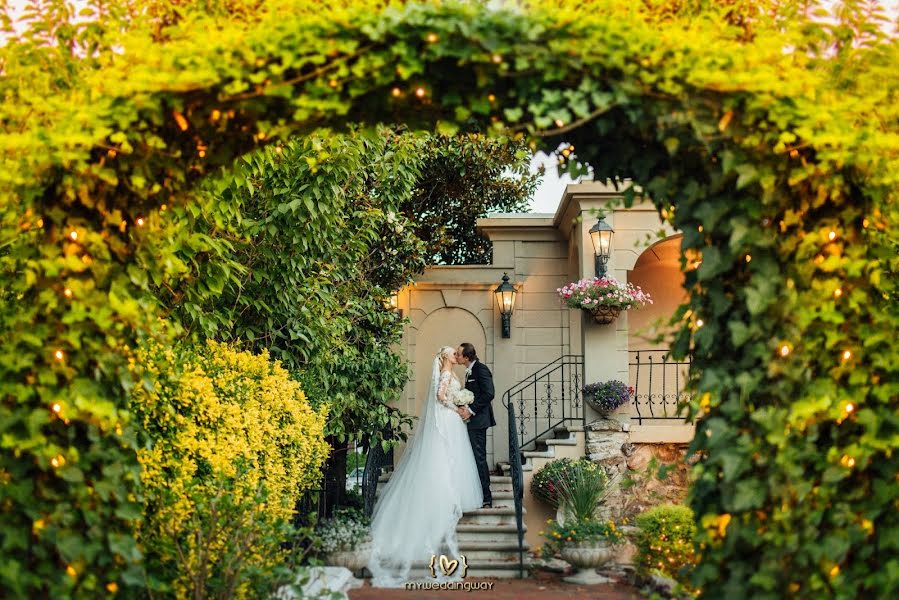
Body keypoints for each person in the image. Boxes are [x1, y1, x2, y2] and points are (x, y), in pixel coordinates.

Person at [367, 346, 483, 587]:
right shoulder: (445, 375)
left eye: (455, 353)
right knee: (444, 458)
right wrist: (457, 406)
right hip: (447, 419)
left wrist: (462, 403)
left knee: (452, 459)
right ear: (444, 357)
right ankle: (442, 495)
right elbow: (441, 397)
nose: (455, 355)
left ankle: (449, 493)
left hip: (451, 421)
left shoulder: (452, 374)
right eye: (452, 353)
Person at [455, 343, 496, 508]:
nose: (457, 356)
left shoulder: (480, 369)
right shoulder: (469, 370)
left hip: (479, 422)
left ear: (466, 357)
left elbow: (489, 393)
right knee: (474, 458)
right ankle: (478, 493)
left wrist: (470, 410)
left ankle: (487, 497)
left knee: (479, 458)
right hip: (472, 421)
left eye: (459, 354)